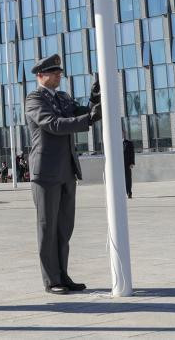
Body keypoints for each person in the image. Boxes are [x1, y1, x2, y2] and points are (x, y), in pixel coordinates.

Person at [24, 54, 101, 296]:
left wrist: (95, 98)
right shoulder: (34, 99)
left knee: (64, 228)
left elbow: (83, 112)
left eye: (59, 72)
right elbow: (54, 124)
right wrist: (87, 118)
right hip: (46, 171)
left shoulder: (63, 97)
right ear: (40, 75)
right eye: (54, 72)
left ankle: (63, 275)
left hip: (67, 170)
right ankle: (51, 280)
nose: (59, 75)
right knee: (47, 228)